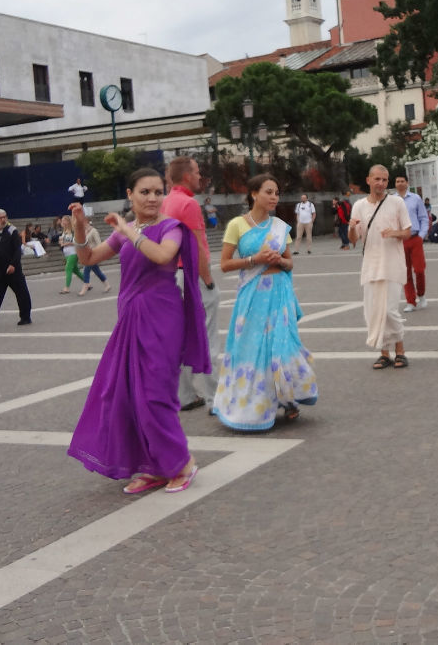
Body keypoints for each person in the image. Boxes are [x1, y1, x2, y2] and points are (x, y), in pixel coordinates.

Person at [67, 167, 209, 494]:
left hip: (162, 316)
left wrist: (128, 231)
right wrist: (79, 228)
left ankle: (182, 463)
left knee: (156, 393)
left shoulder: (170, 227)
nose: (153, 198)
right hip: (131, 317)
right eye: (144, 192)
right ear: (130, 195)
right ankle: (153, 465)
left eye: (158, 191)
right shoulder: (125, 231)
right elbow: (88, 258)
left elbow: (162, 255)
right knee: (128, 395)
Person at [213, 174, 318, 429]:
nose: (274, 197)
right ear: (254, 194)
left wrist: (279, 261)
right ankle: (251, 403)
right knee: (251, 347)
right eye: (269, 192)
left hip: (279, 292)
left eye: (276, 193)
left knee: (280, 347)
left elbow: (289, 261)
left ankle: (288, 398)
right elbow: (225, 264)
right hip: (252, 294)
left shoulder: (280, 227)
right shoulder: (237, 225)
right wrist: (255, 259)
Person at [161, 156, 220, 413]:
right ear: (186, 176)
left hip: (170, 276)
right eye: (196, 172)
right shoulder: (188, 203)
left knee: (179, 339)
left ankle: (184, 395)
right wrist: (208, 281)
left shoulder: (165, 202)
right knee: (207, 339)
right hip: (191, 275)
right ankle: (216, 399)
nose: (199, 176)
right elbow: (196, 247)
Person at [351, 165, 411, 369]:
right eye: (377, 179)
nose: (381, 184)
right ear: (368, 180)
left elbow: (408, 232)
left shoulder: (396, 202)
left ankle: (400, 350)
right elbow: (354, 239)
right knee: (374, 312)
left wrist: (393, 233)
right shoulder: (359, 206)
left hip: (393, 264)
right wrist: (351, 227)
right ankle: (384, 353)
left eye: (384, 180)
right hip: (371, 265)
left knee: (390, 310)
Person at [394, 176, 430, 311]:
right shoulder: (392, 200)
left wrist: (421, 235)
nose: (400, 183)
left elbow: (423, 218)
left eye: (402, 181)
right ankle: (410, 301)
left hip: (415, 238)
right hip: (400, 240)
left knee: (419, 270)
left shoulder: (415, 198)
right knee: (405, 272)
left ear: (407, 183)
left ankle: (421, 295)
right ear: (395, 184)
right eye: (397, 181)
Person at [78, 215, 111, 294]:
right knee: (97, 271)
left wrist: (97, 253)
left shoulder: (94, 231)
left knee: (86, 269)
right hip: (86, 254)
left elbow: (99, 243)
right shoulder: (84, 231)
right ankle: (107, 284)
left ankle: (85, 286)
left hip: (93, 254)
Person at [58, 216, 87, 295]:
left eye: (64, 221)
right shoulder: (64, 231)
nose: (62, 222)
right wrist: (61, 242)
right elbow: (61, 242)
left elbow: (77, 241)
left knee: (68, 268)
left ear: (68, 222)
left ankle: (66, 288)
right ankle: (87, 282)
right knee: (75, 270)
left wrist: (67, 243)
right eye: (62, 221)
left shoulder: (73, 231)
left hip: (73, 252)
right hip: (66, 253)